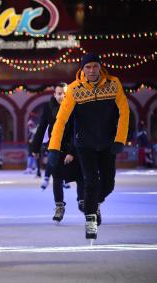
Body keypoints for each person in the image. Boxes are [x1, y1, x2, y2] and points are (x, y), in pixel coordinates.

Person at [48, 53, 129, 242]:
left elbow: (124, 112)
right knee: (91, 181)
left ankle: (93, 204)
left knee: (108, 184)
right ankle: (90, 220)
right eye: (88, 67)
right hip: (84, 145)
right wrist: (53, 148)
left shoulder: (113, 84)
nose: (91, 70)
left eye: (94, 66)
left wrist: (120, 139)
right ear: (82, 69)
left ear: (100, 67)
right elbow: (61, 119)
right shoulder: (75, 89)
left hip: (108, 144)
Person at [31, 83, 84, 223]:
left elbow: (77, 131)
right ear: (54, 95)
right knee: (57, 177)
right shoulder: (49, 108)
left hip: (74, 146)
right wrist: (35, 148)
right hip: (56, 147)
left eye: (65, 94)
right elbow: (42, 128)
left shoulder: (75, 107)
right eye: (59, 93)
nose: (62, 96)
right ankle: (59, 206)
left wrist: (72, 152)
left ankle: (82, 200)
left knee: (80, 176)